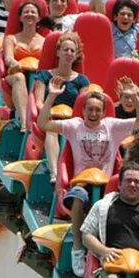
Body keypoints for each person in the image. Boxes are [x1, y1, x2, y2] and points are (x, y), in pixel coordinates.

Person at [39, 77, 139, 277]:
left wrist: (135, 97)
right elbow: (43, 123)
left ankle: (103, 253)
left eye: (98, 110)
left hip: (107, 185)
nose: (93, 113)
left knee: (112, 208)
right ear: (83, 111)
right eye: (90, 109)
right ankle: (77, 248)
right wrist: (52, 97)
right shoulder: (75, 125)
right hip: (81, 182)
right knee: (79, 197)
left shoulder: (112, 126)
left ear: (104, 111)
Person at [31, 32, 90, 182]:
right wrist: (48, 111)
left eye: (72, 50)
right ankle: (55, 173)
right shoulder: (44, 76)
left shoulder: (82, 80)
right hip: (49, 115)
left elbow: (84, 104)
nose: (69, 53)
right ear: (58, 52)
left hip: (72, 118)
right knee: (52, 129)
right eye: (65, 50)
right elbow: (38, 101)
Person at [2, 0, 48, 131]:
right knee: (19, 78)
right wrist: (14, 63)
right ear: (20, 17)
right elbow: (8, 58)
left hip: (38, 75)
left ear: (39, 18)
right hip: (16, 73)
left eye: (33, 12)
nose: (29, 14)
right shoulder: (11, 38)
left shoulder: (45, 41)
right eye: (26, 12)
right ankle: (24, 122)